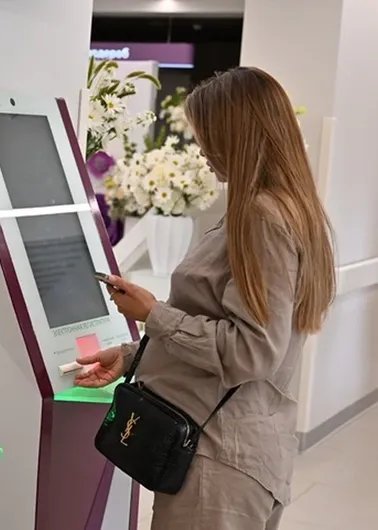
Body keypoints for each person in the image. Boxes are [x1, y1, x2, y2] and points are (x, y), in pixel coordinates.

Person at [75, 67, 335, 530]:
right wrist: (134, 354)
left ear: (236, 136)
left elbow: (253, 350)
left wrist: (154, 315)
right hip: (242, 450)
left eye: (207, 135)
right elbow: (227, 323)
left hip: (219, 461)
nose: (200, 148)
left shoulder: (261, 217)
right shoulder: (282, 209)